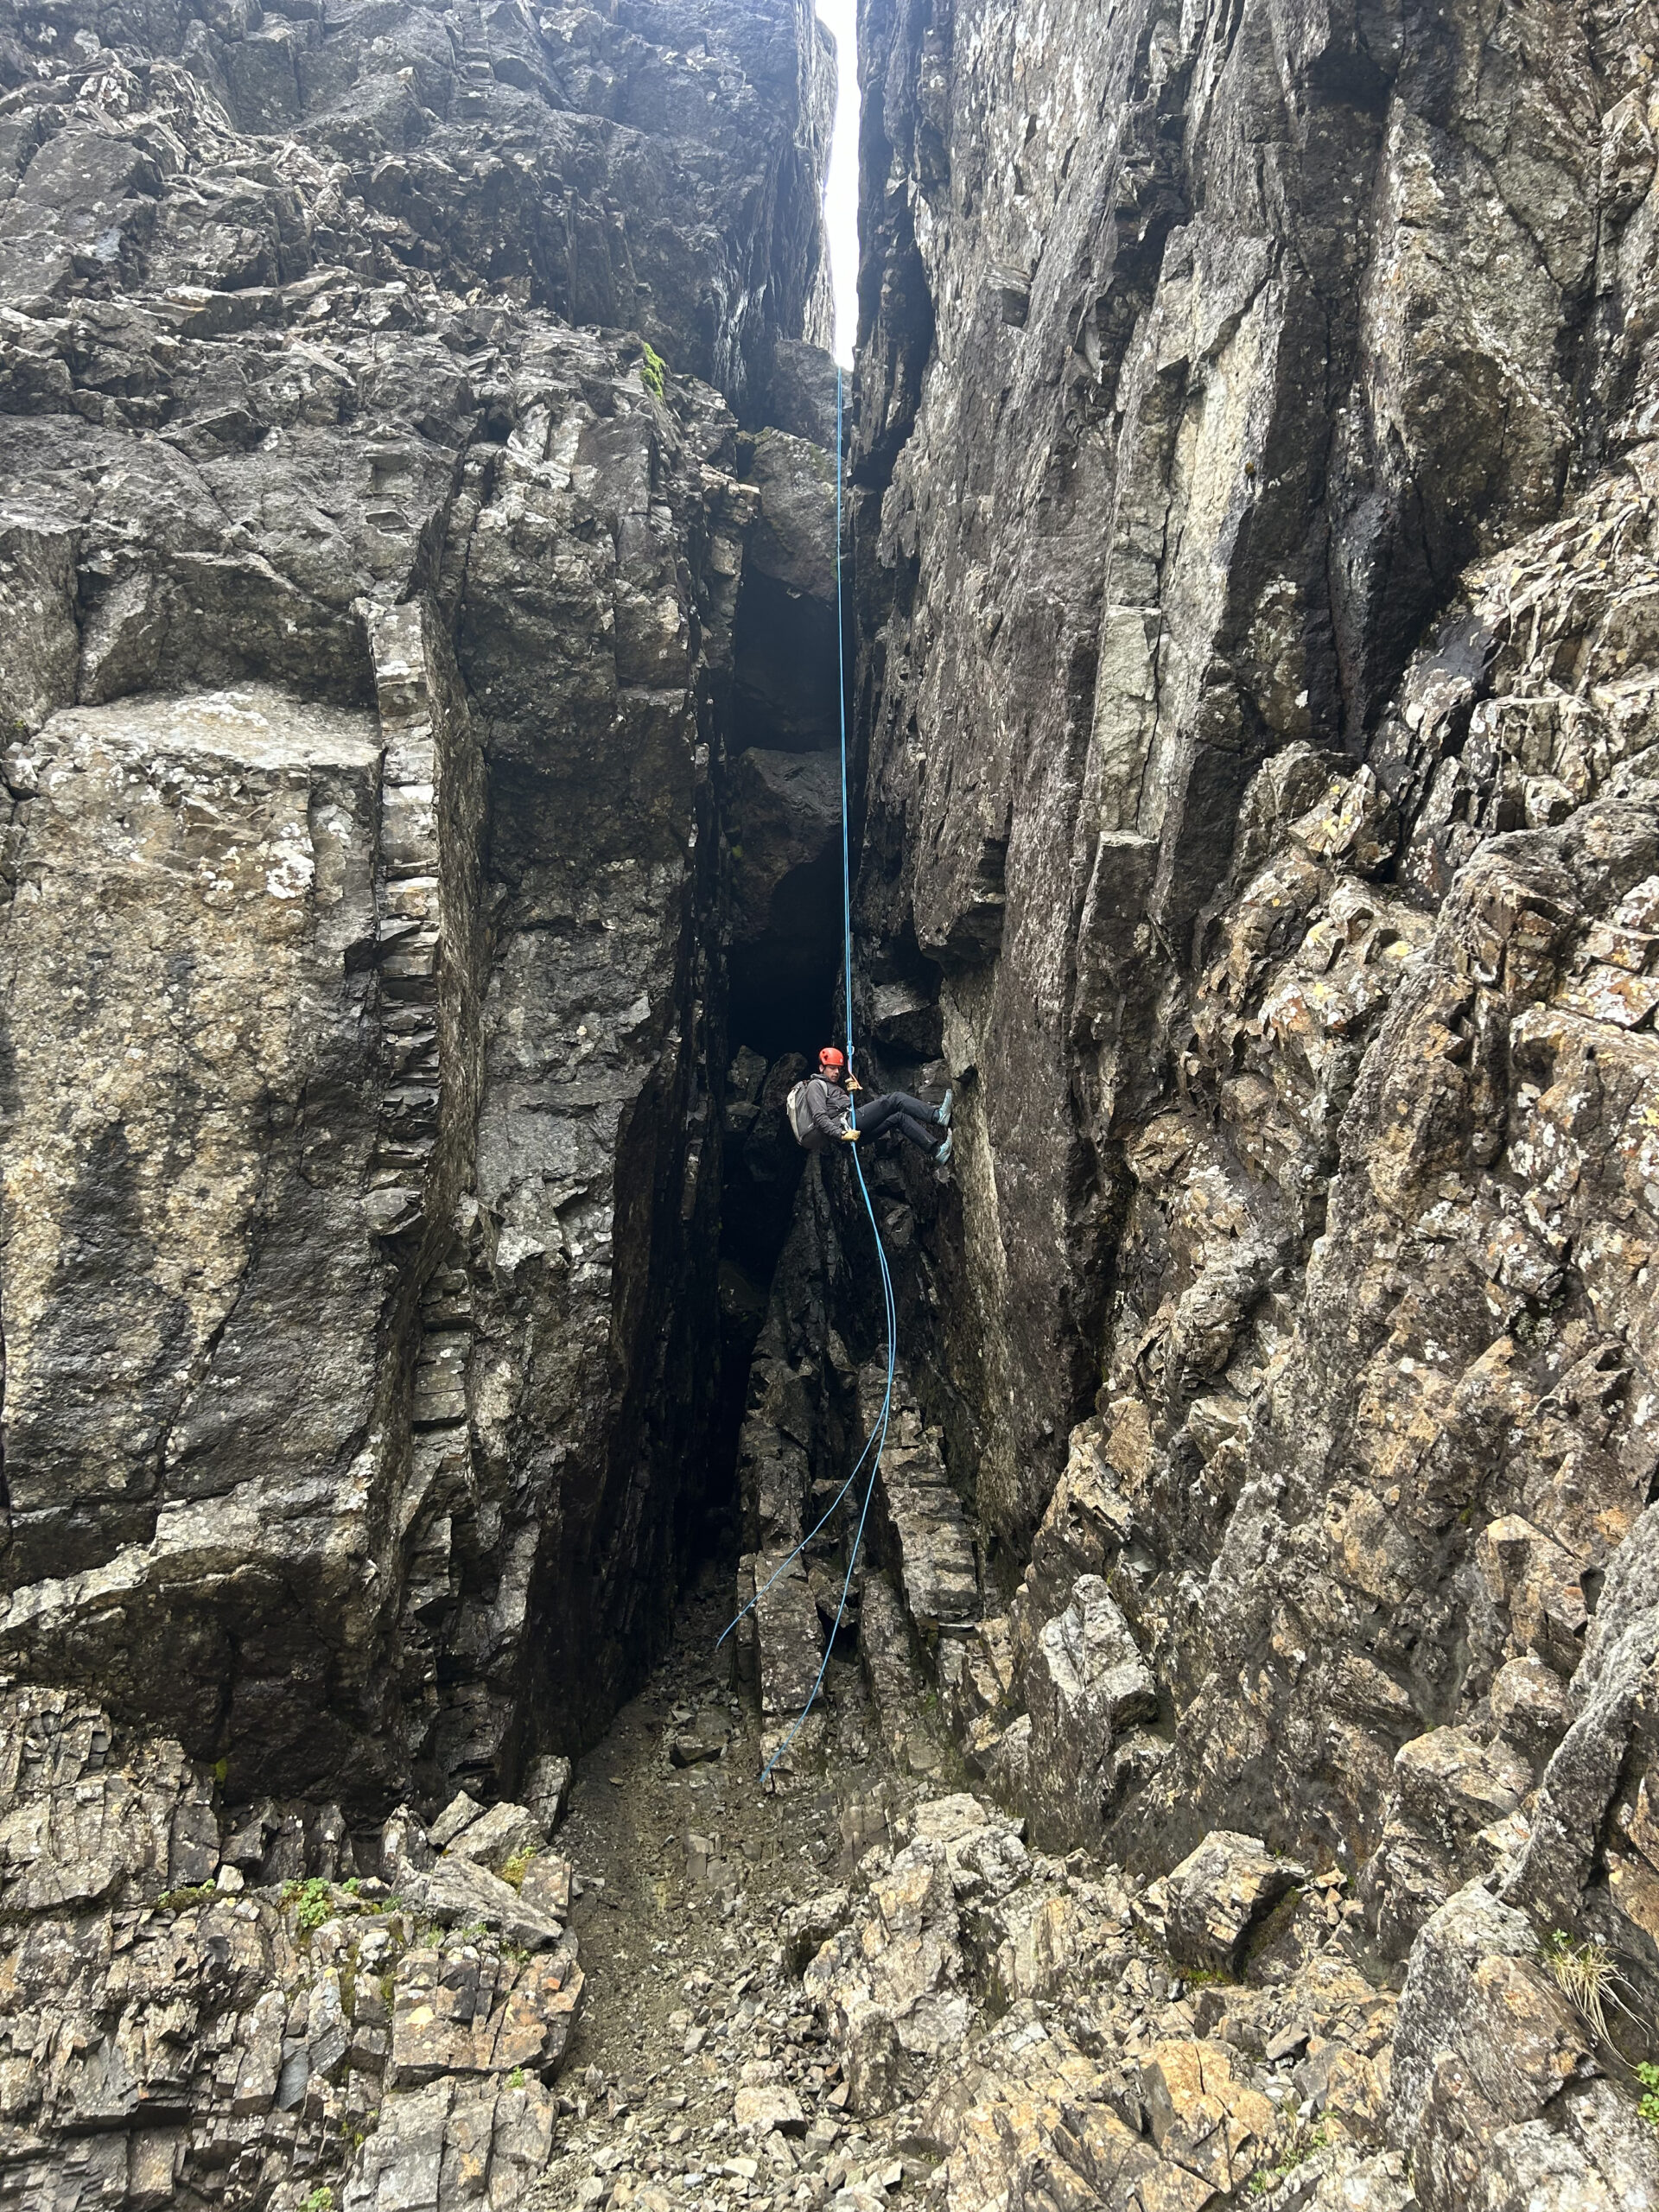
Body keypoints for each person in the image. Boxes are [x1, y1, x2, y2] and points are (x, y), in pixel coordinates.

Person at [798, 1046, 953, 1165]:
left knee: (899, 1118)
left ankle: (937, 1152)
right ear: (821, 1068)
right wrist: (841, 1134)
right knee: (895, 1099)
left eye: (838, 1068)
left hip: (851, 1132)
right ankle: (937, 1116)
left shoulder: (833, 1087)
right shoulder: (815, 1086)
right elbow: (820, 1118)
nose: (837, 1072)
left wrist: (850, 1093)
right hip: (846, 1129)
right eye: (832, 1068)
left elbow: (845, 1109)